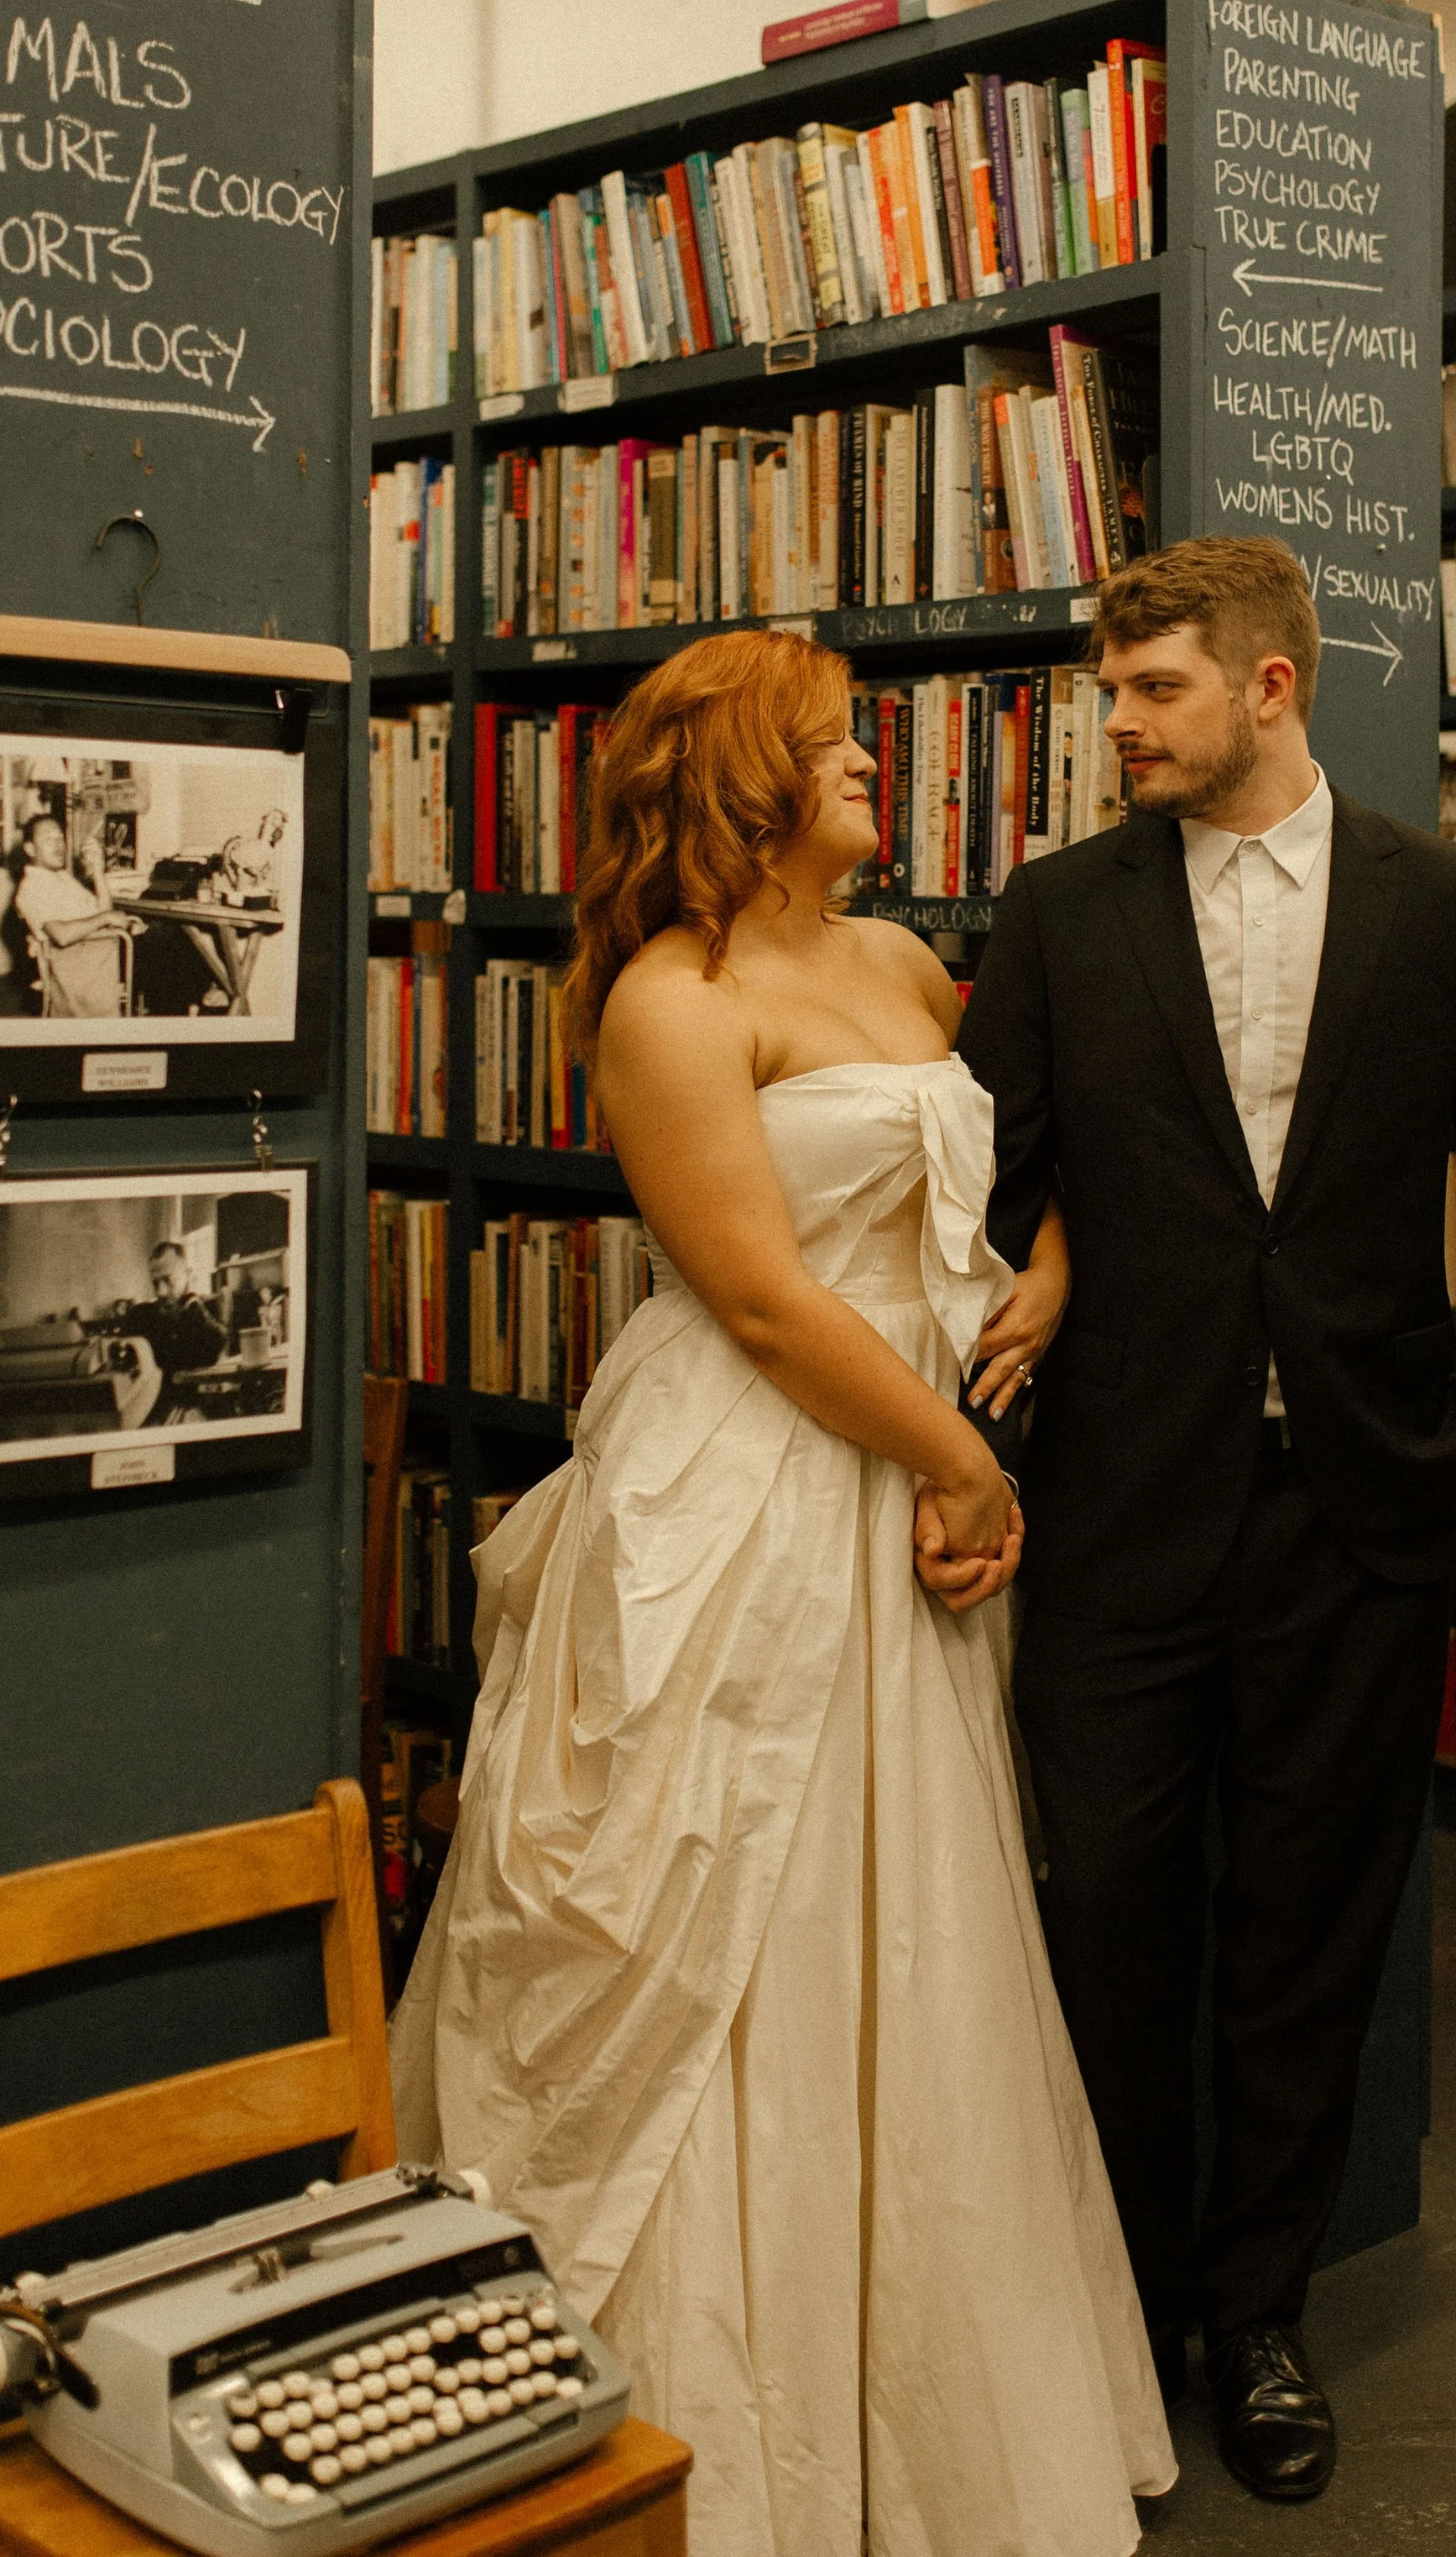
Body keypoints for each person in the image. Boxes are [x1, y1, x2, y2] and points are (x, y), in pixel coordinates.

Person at [389, 629, 1173, 2557]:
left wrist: (1044, 1273)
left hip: (906, 1472)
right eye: (833, 747)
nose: (871, 769)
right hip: (753, 1496)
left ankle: (915, 2415)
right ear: (742, 773)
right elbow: (754, 1292)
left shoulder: (904, 961)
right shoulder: (673, 998)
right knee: (723, 1903)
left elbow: (1002, 1156)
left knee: (907, 1913)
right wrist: (958, 1451)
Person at [957, 536, 1456, 2506]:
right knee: (1111, 1923)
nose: (1118, 726)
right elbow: (980, 1175)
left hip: (1356, 1511)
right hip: (1119, 1510)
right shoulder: (1059, 909)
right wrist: (1049, 1281)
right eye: (1110, 692)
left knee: (1312, 1935)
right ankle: (1119, 2312)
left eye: (1152, 690)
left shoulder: (1444, 900)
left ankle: (1257, 2314)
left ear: (1269, 686)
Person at [12, 810, 139, 1017]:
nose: (59, 844)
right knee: (173, 947)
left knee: (169, 940)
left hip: (101, 952)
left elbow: (105, 913)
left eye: (60, 838)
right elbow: (62, 936)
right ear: (30, 849)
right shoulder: (32, 887)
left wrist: (98, 870)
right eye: (48, 839)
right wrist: (106, 918)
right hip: (81, 967)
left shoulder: (62, 877)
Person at [108, 1235, 228, 1426]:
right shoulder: (140, 1316)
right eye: (155, 1283)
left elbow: (216, 1348)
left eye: (168, 1280)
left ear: (187, 1274)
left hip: (192, 1411)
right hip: (148, 1414)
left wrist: (194, 1308)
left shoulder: (205, 1309)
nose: (160, 1292)